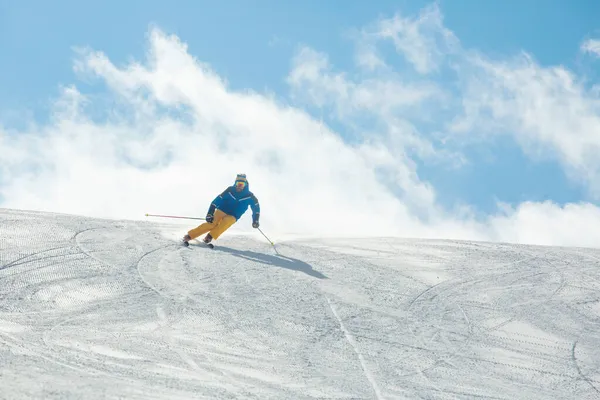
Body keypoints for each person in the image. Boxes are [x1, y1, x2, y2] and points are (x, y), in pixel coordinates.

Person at [182, 173, 260, 246]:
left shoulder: (250, 196)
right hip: (222, 210)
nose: (239, 186)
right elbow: (216, 201)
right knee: (212, 223)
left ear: (245, 185)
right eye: (238, 184)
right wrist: (210, 213)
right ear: (235, 183)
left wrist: (255, 220)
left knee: (226, 222)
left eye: (242, 184)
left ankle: (209, 237)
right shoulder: (230, 190)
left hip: (234, 215)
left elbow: (256, 209)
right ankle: (190, 235)